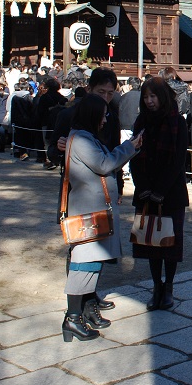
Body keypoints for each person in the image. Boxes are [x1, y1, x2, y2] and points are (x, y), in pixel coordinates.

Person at [60, 94, 140, 342]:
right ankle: (72, 318)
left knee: (92, 263)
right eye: (103, 114)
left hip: (93, 208)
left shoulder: (85, 137)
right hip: (88, 211)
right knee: (84, 264)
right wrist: (130, 147)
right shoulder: (82, 140)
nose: (106, 119)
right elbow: (104, 164)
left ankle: (82, 312)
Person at [130, 77, 191, 311]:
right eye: (146, 97)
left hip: (170, 191)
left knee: (170, 244)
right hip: (146, 189)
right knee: (151, 243)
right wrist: (143, 187)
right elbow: (134, 154)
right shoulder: (141, 121)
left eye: (153, 96)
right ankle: (156, 285)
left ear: (163, 96)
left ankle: (169, 287)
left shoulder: (178, 122)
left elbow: (178, 160)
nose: (149, 101)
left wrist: (161, 190)